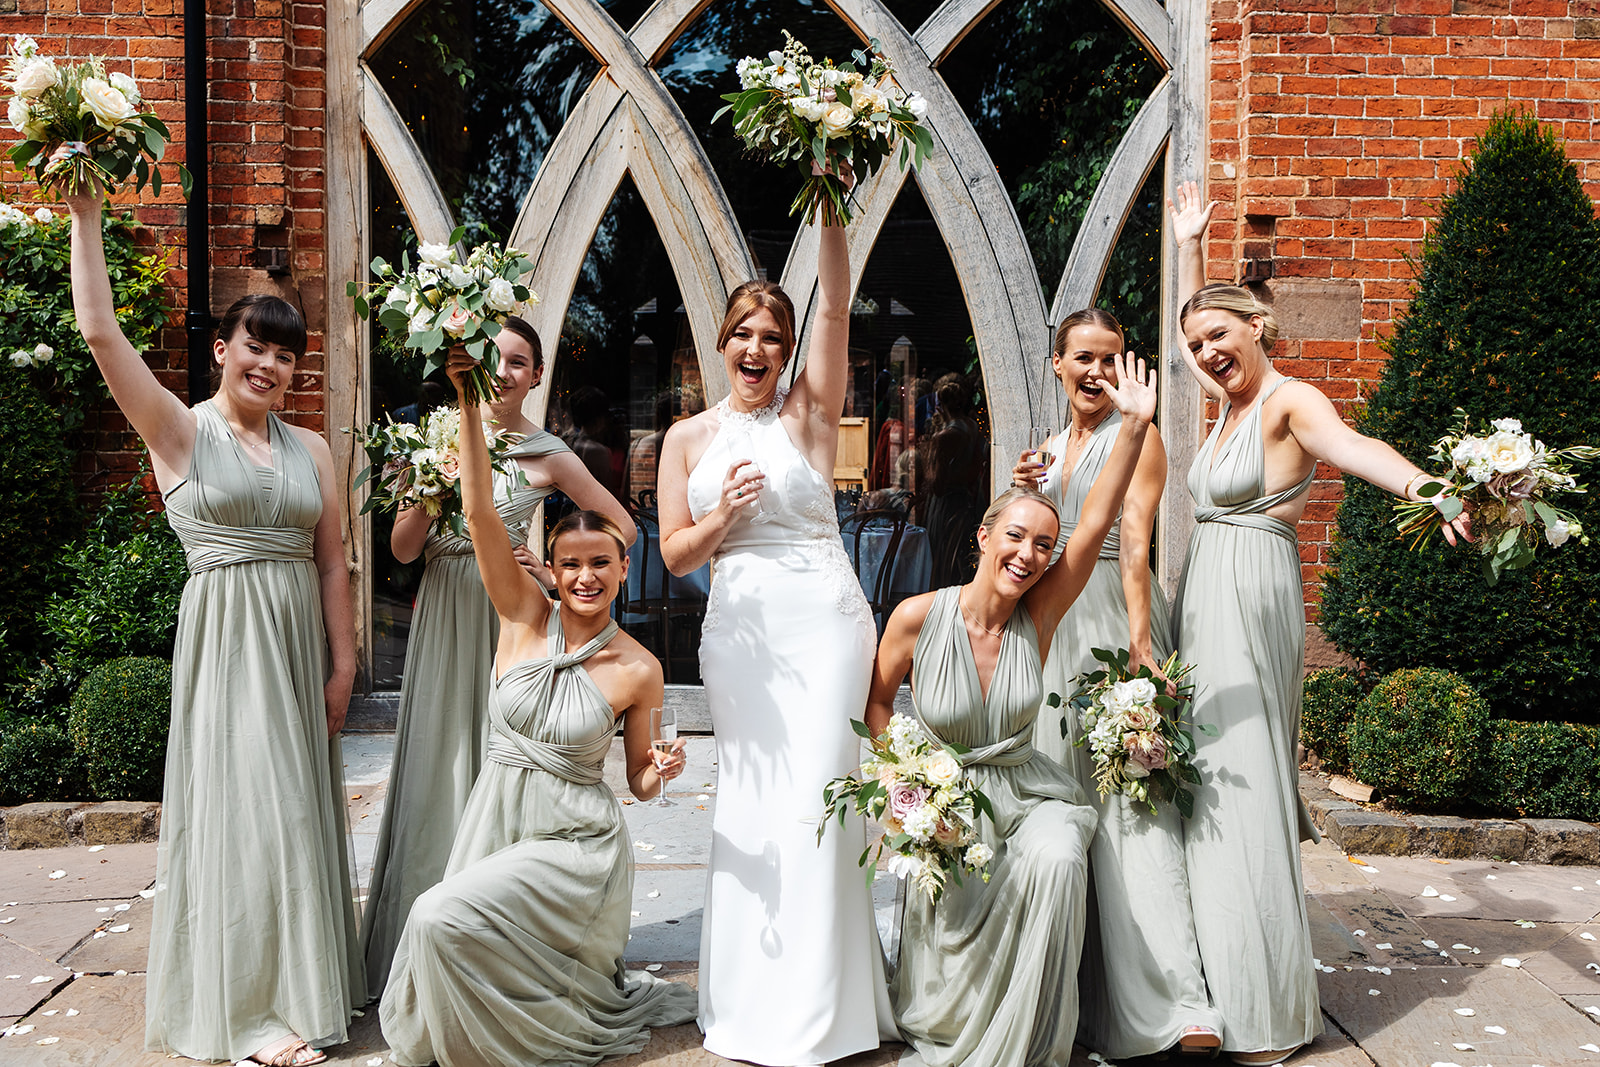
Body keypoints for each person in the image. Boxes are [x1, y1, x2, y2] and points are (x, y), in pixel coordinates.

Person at [1167, 181, 1467, 1065]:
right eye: (1194, 343)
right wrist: (1189, 246)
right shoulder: (1224, 401)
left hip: (1252, 593)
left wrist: (1433, 488)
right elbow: (1197, 350)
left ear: (1259, 326)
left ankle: (1263, 1010)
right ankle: (1216, 984)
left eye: (1220, 334)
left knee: (1247, 783)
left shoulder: (1290, 400)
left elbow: (1357, 449)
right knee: (1208, 783)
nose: (1205, 352)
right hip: (1205, 593)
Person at [66, 187, 361, 1066]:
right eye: (254, 347)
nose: (268, 365)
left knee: (294, 813)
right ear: (223, 349)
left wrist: (344, 664)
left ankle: (301, 984)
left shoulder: (312, 449)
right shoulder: (180, 433)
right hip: (228, 640)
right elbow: (101, 337)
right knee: (241, 812)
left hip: (297, 642)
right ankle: (248, 1013)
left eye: (285, 353)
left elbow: (333, 562)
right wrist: (88, 214)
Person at [379, 351, 698, 1067]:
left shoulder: (641, 668)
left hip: (577, 846)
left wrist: (662, 769)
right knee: (450, 931)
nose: (586, 575)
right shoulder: (522, 616)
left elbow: (640, 785)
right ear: (550, 567)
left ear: (621, 567)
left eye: (601, 562)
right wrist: (467, 402)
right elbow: (477, 509)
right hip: (499, 819)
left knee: (434, 915)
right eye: (572, 562)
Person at [656, 170, 894, 1066]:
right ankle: (756, 1000)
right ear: (720, 344)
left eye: (774, 337)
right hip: (742, 634)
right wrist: (723, 518)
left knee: (818, 805)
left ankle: (828, 1011)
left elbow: (836, 304)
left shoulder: (808, 415)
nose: (759, 347)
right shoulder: (685, 438)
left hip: (825, 626)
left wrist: (832, 198)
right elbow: (677, 552)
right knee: (756, 805)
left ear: (789, 350)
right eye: (744, 334)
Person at [865, 352, 1159, 1067]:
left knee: (1060, 854)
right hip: (949, 798)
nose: (1030, 555)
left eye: (1042, 546)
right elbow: (876, 703)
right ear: (983, 539)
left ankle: (1030, 1038)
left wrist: (1132, 428)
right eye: (1017, 537)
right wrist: (907, 791)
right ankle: (960, 1012)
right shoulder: (915, 616)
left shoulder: (1041, 615)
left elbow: (1094, 525)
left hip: (1029, 792)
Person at [359, 318, 636, 1000]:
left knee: (499, 768)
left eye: (519, 362)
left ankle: (507, 943)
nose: (505, 371)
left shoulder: (548, 454)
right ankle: (423, 942)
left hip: (510, 619)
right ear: (471, 365)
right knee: (440, 763)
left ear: (537, 375)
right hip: (445, 613)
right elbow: (399, 550)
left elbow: (620, 527)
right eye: (494, 358)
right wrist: (433, 481)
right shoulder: (434, 438)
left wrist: (551, 573)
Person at [1012, 308, 1223, 1058]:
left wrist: (1140, 644)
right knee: (1057, 809)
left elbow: (1135, 539)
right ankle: (1058, 999)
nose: (1095, 370)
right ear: (1057, 366)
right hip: (1047, 628)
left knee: (1134, 808)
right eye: (1082, 358)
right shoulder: (1044, 449)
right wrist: (1023, 491)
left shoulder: (1144, 435)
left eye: (1109, 357)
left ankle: (1174, 1002)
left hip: (1109, 621)